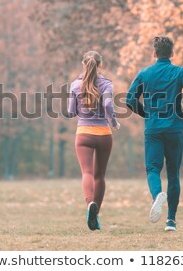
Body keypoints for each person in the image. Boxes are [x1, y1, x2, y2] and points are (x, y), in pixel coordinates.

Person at [126, 36, 183, 232]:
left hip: (153, 130)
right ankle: (171, 221)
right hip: (175, 128)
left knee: (152, 169)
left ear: (154, 53)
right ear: (172, 53)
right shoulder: (181, 72)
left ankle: (158, 194)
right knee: (173, 174)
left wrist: (145, 113)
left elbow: (129, 99)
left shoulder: (144, 74)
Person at [67, 51, 120, 231]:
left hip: (83, 134)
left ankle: (90, 204)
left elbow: (71, 112)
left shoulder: (75, 85)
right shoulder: (107, 84)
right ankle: (96, 216)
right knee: (100, 176)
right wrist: (114, 122)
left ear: (84, 64)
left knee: (87, 173)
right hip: (104, 134)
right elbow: (107, 105)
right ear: (100, 65)